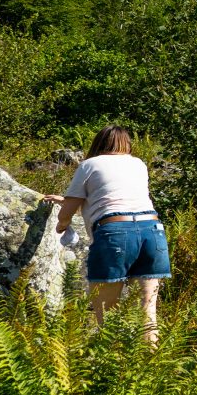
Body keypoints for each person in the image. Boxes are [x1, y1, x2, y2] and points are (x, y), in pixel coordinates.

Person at [44, 125, 170, 339]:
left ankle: (111, 362)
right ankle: (152, 364)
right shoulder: (138, 164)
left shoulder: (89, 165)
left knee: (108, 312)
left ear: (99, 143)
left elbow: (68, 211)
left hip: (114, 232)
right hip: (152, 230)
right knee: (148, 312)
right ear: (127, 143)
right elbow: (119, 194)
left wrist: (61, 228)